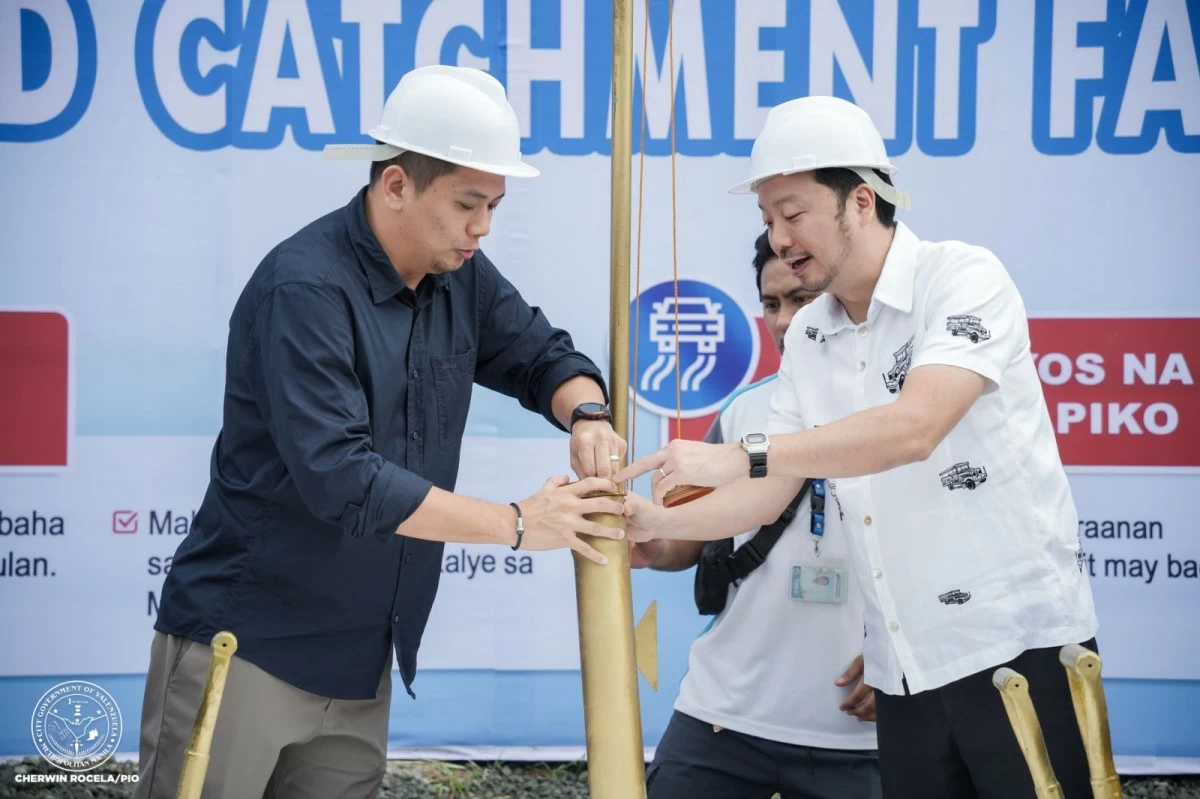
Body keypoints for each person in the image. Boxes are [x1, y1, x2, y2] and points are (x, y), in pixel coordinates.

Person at [134, 65, 626, 799]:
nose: (483, 226)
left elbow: (542, 355)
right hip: (248, 645)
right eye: (468, 204)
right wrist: (518, 523)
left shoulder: (463, 273)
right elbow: (343, 479)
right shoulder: (304, 290)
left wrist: (586, 413)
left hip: (362, 662)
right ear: (396, 184)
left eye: (493, 204)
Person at [619, 95, 1101, 798]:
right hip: (903, 668)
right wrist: (654, 521)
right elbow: (767, 491)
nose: (780, 238)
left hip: (1016, 645)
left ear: (861, 200)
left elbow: (914, 427)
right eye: (767, 220)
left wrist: (741, 454)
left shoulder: (961, 277)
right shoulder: (811, 335)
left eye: (793, 213)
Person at [636, 231, 881, 799]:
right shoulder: (742, 408)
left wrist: (903, 654)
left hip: (860, 727)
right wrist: (653, 542)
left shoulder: (901, 412)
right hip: (724, 711)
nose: (784, 321)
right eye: (772, 304)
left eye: (802, 299)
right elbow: (692, 538)